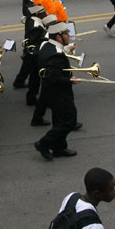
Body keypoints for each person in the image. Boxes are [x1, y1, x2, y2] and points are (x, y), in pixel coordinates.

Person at [34, 22, 81, 160]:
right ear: (59, 37)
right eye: (66, 34)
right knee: (69, 121)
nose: (68, 36)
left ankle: (59, 148)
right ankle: (43, 143)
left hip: (50, 92)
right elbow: (55, 77)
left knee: (59, 120)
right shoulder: (57, 54)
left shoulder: (47, 46)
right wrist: (71, 80)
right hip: (59, 93)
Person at [13, 5, 48, 106]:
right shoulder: (36, 27)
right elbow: (35, 42)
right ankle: (31, 99)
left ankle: (21, 85)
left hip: (31, 55)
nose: (44, 13)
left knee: (30, 74)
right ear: (38, 14)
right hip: (34, 55)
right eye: (43, 12)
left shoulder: (30, 19)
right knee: (34, 78)